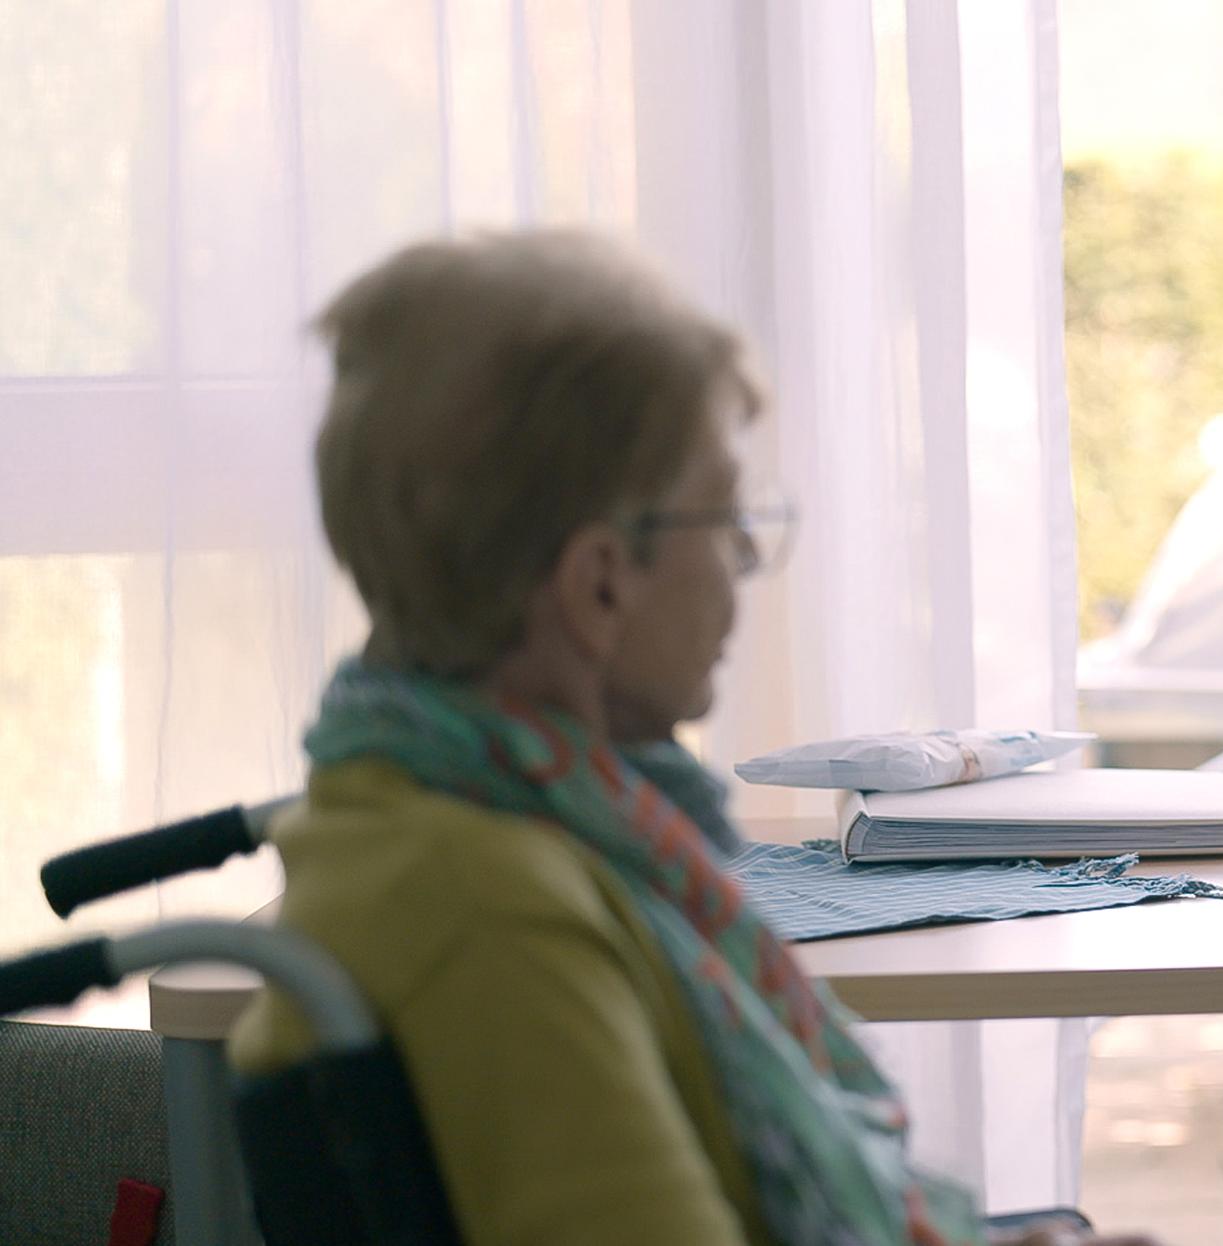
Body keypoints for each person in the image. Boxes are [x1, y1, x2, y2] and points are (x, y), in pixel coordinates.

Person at [227, 231, 1154, 1246]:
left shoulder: (446, 818)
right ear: (600, 584)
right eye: (723, 515)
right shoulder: (488, 912)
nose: (747, 557)